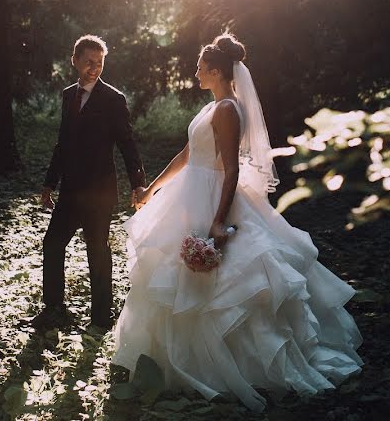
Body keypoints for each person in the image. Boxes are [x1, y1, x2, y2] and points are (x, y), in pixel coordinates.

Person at [112, 33, 362, 411]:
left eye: (199, 67)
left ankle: (230, 365)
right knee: (173, 280)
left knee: (223, 286)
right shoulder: (211, 106)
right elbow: (187, 153)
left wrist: (217, 221)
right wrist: (151, 189)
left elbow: (230, 171)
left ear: (215, 71)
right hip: (188, 194)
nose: (195, 72)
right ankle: (169, 360)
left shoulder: (228, 109)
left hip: (212, 198)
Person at [37, 35, 146, 330]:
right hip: (70, 190)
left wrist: (138, 184)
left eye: (99, 63)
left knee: (97, 250)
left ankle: (100, 317)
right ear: (75, 60)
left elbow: (127, 144)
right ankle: (54, 309)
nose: (94, 68)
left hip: (100, 192)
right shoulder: (68, 95)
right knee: (53, 243)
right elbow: (63, 143)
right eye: (88, 62)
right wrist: (49, 184)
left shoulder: (113, 99)